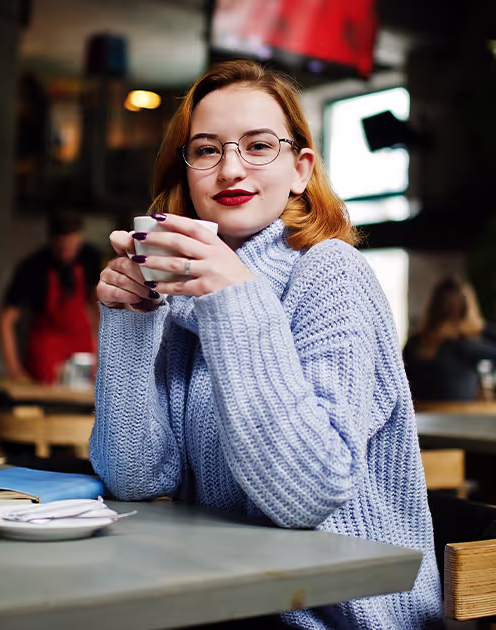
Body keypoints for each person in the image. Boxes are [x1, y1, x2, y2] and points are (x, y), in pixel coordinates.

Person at [91, 60, 442, 628]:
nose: (231, 169)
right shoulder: (181, 294)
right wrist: (134, 317)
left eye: (258, 146)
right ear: (186, 172)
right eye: (206, 150)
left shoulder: (331, 274)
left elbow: (307, 494)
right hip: (222, 600)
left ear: (301, 169)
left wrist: (235, 298)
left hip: (338, 616)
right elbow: (137, 477)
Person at [0, 210, 102, 385]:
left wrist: (102, 353)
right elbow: (4, 320)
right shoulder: (32, 267)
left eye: (71, 246)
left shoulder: (90, 258)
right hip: (46, 349)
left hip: (81, 347)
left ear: (79, 239)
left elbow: (98, 306)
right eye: (61, 247)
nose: (66, 252)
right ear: (51, 240)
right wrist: (14, 368)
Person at [404, 276, 496, 401]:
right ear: (467, 311)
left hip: (418, 417)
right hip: (459, 419)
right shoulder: (464, 346)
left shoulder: (413, 344)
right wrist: (481, 326)